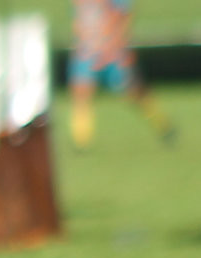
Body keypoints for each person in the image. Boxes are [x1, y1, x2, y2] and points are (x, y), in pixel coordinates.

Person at [68, 0, 174, 149]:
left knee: (133, 92)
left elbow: (123, 18)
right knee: (81, 92)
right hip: (87, 51)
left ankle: (163, 124)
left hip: (112, 52)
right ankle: (81, 142)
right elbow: (80, 18)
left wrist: (117, 47)